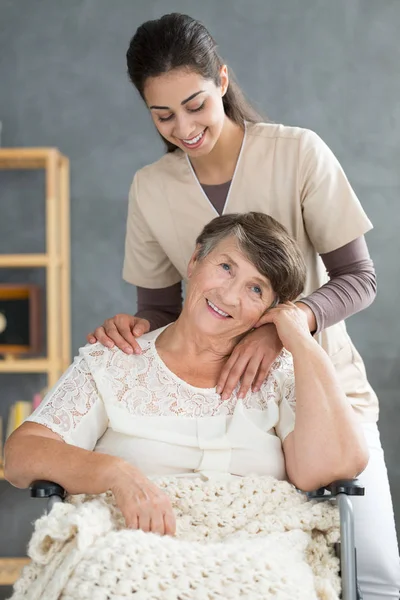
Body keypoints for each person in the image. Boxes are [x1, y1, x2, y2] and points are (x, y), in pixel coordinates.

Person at [86, 13, 400, 599]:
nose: (184, 127)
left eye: (195, 104)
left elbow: (360, 278)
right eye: (163, 115)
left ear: (222, 81)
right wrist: (132, 329)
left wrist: (283, 329)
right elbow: (158, 309)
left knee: (373, 577)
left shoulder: (298, 153)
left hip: (321, 395)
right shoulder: (150, 187)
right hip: (222, 409)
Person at [5, 213, 368, 541]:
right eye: (226, 267)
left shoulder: (281, 374)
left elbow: (332, 468)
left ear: (269, 311)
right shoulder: (114, 358)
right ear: (195, 260)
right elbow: (22, 455)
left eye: (255, 289)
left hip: (255, 553)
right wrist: (116, 474)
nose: (228, 295)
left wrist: (301, 341)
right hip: (132, 548)